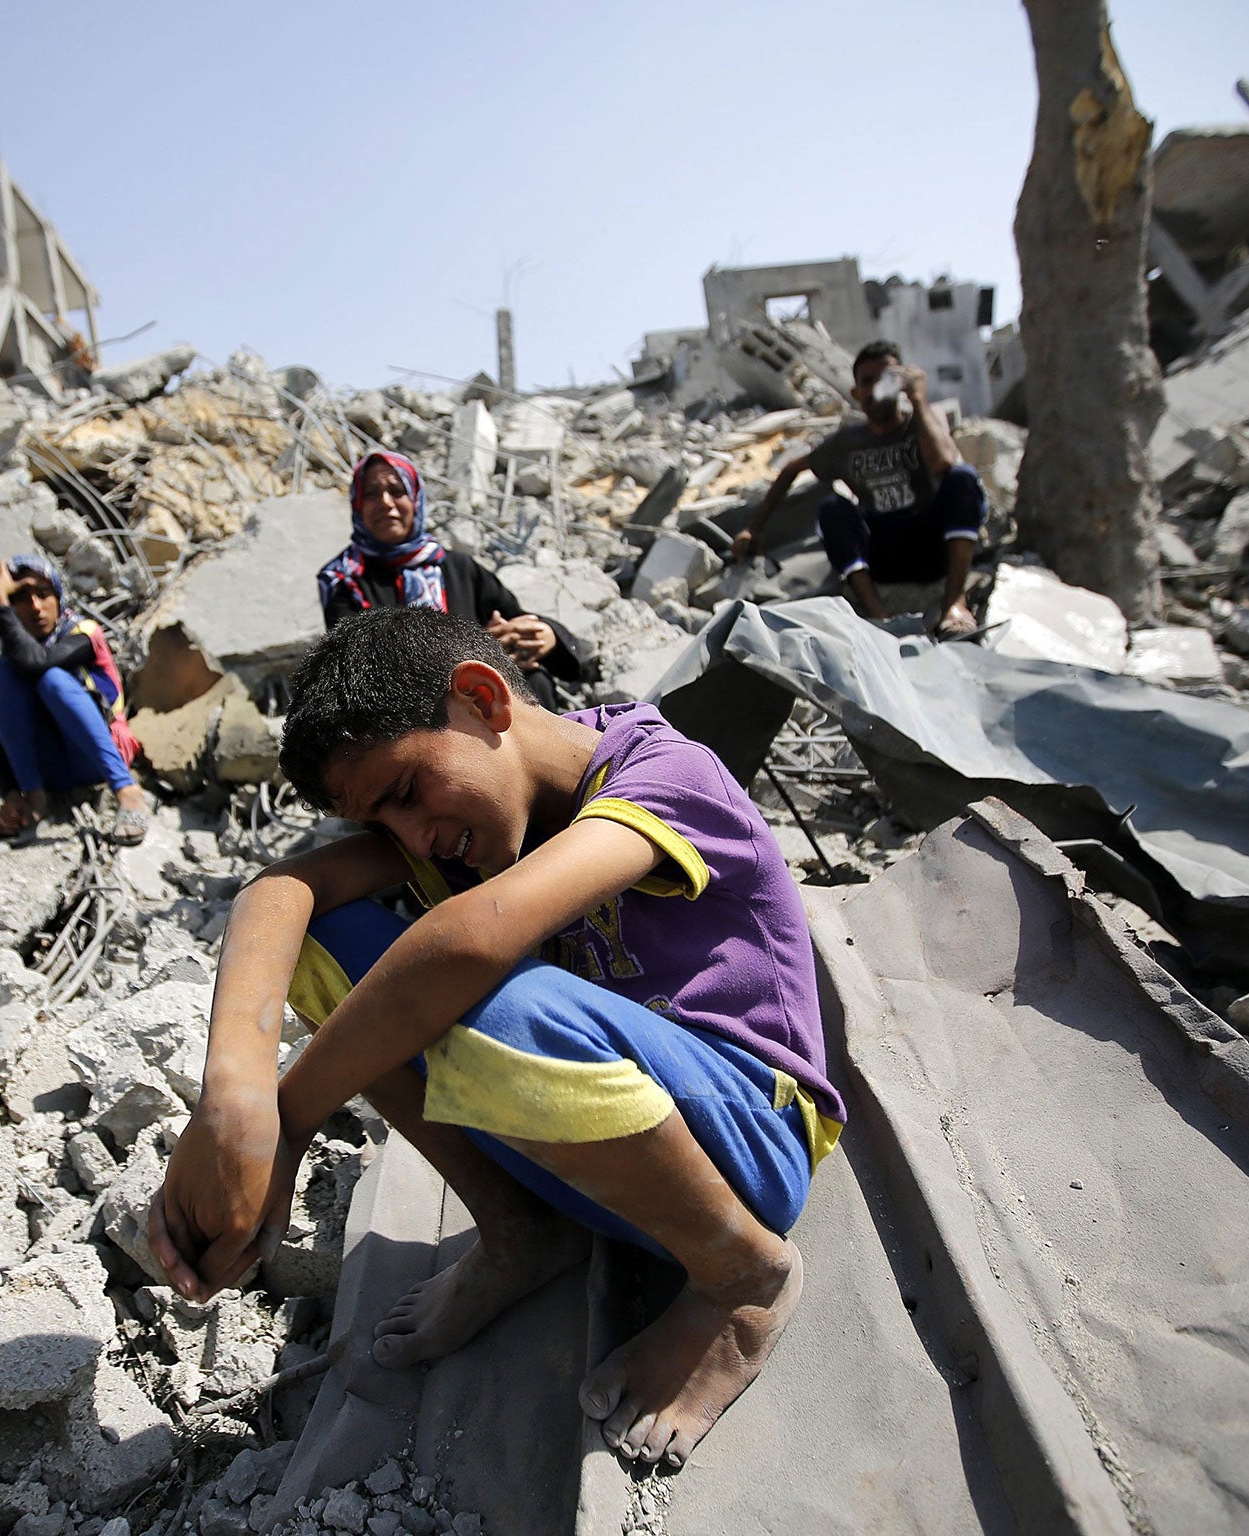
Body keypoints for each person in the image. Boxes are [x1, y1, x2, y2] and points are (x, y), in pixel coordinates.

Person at [149, 608, 844, 1470]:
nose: (414, 841)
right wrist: (233, 1105)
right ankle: (521, 1232)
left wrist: (287, 1124)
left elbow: (471, 942)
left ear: (482, 699)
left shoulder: (664, 772)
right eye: (385, 828)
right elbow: (278, 894)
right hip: (596, 1139)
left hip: (751, 1140)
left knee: (485, 1001)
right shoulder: (463, 824)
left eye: (407, 796)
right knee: (331, 948)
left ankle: (743, 1278)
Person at [732, 340, 984, 637]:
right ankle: (880, 618)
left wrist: (917, 399)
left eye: (886, 378)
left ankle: (954, 603)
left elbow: (943, 462)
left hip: (930, 543)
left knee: (963, 478)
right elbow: (790, 470)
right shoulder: (847, 443)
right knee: (832, 509)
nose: (877, 388)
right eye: (868, 381)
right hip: (884, 549)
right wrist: (755, 528)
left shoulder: (924, 421)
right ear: (856, 393)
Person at [318, 450, 587, 707]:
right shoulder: (345, 581)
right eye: (372, 494)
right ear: (357, 505)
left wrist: (544, 636)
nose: (386, 502)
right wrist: (480, 653)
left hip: (478, 699)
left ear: (415, 499)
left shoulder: (458, 568)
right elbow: (361, 665)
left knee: (534, 681)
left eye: (397, 491)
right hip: (405, 713)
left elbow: (511, 618)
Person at [0, 553, 151, 845]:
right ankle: (34, 799)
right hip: (50, 772)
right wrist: (11, 793)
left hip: (98, 759)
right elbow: (2, 730)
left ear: (58, 596)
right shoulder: (14, 658)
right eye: (21, 598)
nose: (36, 606)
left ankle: (128, 791)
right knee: (1, 674)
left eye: (43, 594)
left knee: (53, 680)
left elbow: (37, 663)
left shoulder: (83, 633)